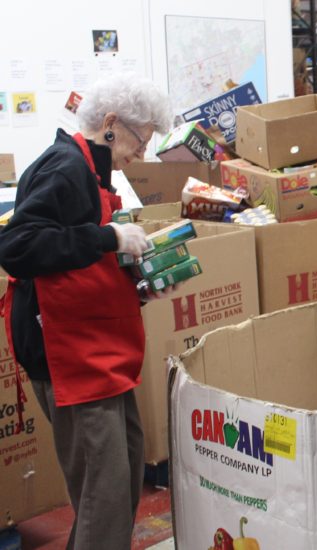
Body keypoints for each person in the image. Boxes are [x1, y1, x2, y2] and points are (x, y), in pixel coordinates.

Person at [0, 73, 172, 550]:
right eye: (141, 140)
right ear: (112, 124)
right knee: (106, 491)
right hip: (68, 355)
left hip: (100, 350)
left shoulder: (94, 172)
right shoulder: (65, 168)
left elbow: (74, 262)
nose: (142, 153)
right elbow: (17, 245)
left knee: (124, 469)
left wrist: (134, 282)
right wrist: (108, 237)